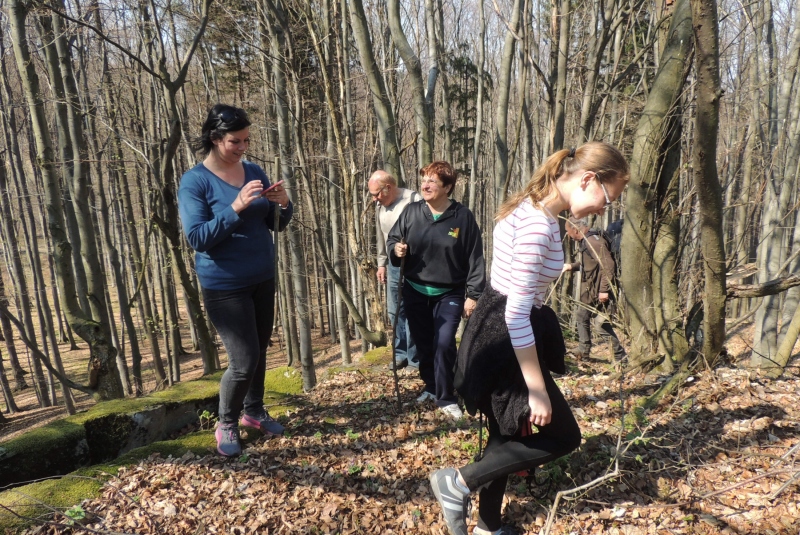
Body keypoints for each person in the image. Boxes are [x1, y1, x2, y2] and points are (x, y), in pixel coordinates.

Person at [430, 142, 629, 535]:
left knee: (506, 432)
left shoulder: (534, 207)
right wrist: (536, 389)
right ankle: (457, 482)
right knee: (563, 435)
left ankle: (488, 525)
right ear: (588, 179)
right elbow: (517, 313)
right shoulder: (539, 225)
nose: (607, 209)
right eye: (609, 197)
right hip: (507, 338)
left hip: (495, 330)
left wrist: (567, 230)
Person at [178, 104, 293, 457]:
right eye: (235, 141)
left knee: (258, 353)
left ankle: (254, 412)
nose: (243, 147)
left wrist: (284, 204)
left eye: (245, 140)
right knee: (242, 360)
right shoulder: (195, 181)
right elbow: (197, 237)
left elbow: (276, 224)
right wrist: (236, 207)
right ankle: (226, 421)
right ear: (214, 139)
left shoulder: (253, 170)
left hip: (262, 277)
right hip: (224, 285)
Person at [386, 161, 485, 420]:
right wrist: (396, 250)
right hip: (415, 290)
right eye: (424, 180)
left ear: (448, 187)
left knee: (443, 343)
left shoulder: (462, 217)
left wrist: (473, 295)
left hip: (449, 293)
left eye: (433, 181)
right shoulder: (412, 212)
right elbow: (394, 239)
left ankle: (447, 397)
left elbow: (475, 258)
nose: (426, 185)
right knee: (423, 344)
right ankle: (431, 386)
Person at [369, 170, 421, 370]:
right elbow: (381, 235)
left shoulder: (413, 200)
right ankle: (399, 354)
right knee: (395, 310)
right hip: (392, 265)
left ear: (388, 187)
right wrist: (381, 262)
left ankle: (414, 359)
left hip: (414, 266)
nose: (374, 199)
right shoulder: (380, 206)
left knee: (412, 310)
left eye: (377, 194)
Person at [563, 217, 626, 362]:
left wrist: (604, 290)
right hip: (592, 290)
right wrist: (572, 266)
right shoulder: (588, 240)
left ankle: (619, 356)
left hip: (599, 290)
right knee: (581, 316)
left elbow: (608, 265)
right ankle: (583, 350)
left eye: (568, 231)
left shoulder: (593, 242)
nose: (568, 235)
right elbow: (591, 264)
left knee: (600, 325)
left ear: (576, 229)